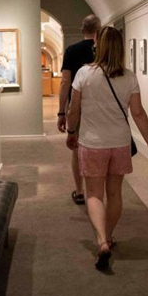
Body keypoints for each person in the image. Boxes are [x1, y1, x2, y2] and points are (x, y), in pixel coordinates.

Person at [66, 26, 148, 270]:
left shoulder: (84, 74)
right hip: (119, 143)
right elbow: (138, 113)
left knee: (95, 195)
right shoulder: (129, 77)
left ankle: (101, 241)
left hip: (92, 143)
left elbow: (74, 109)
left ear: (97, 45)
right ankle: (108, 235)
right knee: (116, 194)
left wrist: (70, 132)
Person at [57, 14, 100, 205]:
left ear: (82, 30)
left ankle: (80, 190)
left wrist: (61, 111)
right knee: (100, 147)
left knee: (76, 148)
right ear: (99, 30)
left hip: (77, 105)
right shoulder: (104, 51)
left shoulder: (72, 50)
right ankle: (98, 191)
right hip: (101, 106)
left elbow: (65, 81)